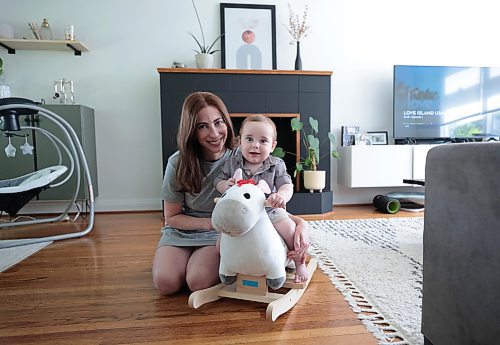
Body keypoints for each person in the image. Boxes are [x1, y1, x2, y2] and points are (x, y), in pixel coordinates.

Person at [152, 92, 309, 295]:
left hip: (219, 234)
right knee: (166, 283)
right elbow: (171, 217)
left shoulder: (243, 157)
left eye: (218, 123)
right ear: (191, 131)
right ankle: (179, 262)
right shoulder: (178, 162)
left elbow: (259, 204)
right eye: (202, 126)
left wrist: (300, 223)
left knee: (197, 281)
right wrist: (210, 222)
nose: (215, 134)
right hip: (183, 230)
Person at [215, 114, 308, 283]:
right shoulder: (232, 163)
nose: (255, 145)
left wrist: (281, 196)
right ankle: (232, 265)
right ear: (239, 141)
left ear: (272, 146)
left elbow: (287, 185)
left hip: (270, 211)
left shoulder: (276, 164)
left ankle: (298, 262)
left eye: (263, 141)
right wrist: (225, 185)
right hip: (242, 214)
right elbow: (217, 182)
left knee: (290, 231)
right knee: (220, 242)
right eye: (249, 139)